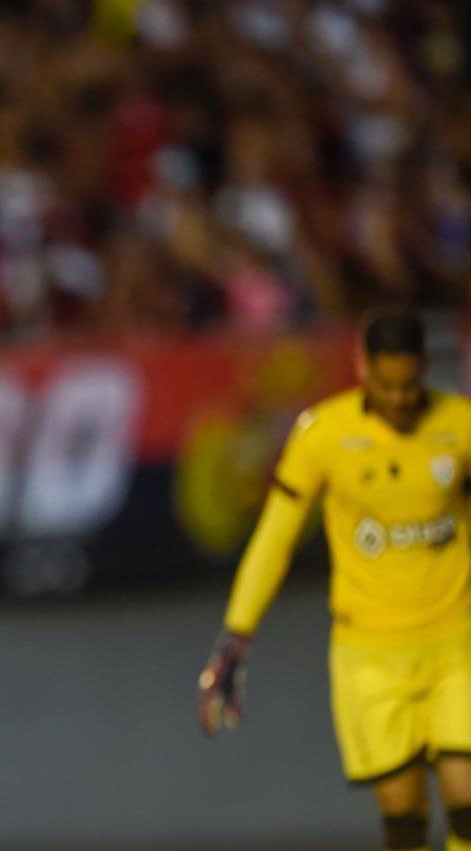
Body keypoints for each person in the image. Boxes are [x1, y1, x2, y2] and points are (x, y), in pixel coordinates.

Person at [197, 309, 471, 851]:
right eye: (386, 384)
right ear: (363, 367)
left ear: (424, 369)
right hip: (369, 654)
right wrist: (237, 633)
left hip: (456, 642)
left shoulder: (459, 426)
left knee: (467, 796)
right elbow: (275, 538)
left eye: (409, 384)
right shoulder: (324, 435)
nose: (397, 399)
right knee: (404, 813)